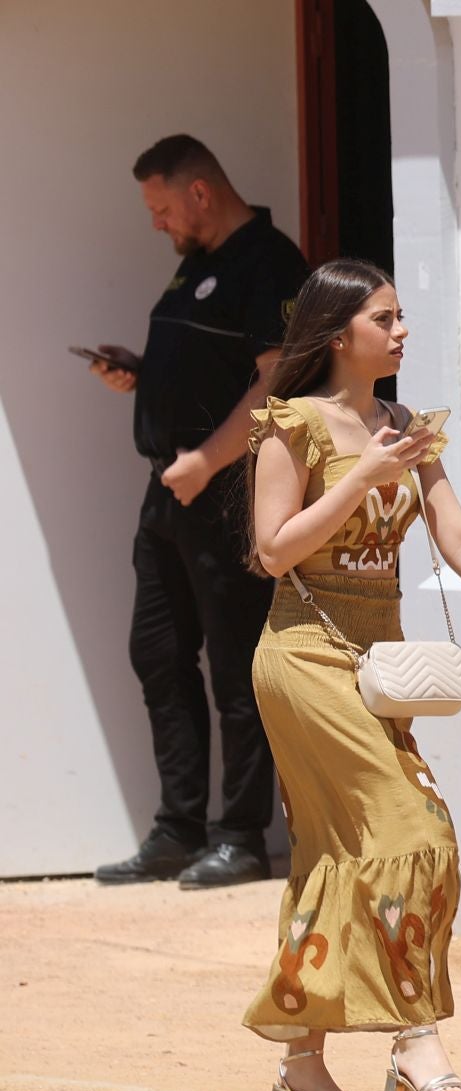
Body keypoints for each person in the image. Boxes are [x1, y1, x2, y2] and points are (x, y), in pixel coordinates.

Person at [239, 258, 461, 1091]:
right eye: (384, 319)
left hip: (376, 663)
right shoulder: (291, 425)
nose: (400, 332)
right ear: (338, 332)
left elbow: (457, 536)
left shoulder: (405, 424)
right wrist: (357, 476)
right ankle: (414, 1036)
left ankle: (301, 1067)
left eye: (400, 317)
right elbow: (272, 552)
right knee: (412, 826)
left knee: (332, 850)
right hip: (305, 657)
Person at [92, 135, 309, 890]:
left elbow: (276, 384)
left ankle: (241, 836)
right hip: (169, 491)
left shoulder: (270, 261)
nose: (156, 224)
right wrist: (144, 377)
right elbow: (205, 370)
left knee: (235, 663)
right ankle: (177, 829)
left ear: (200, 194)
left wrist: (209, 461)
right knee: (157, 654)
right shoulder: (197, 265)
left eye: (160, 209)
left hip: (224, 491)